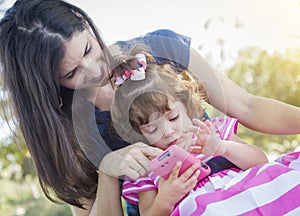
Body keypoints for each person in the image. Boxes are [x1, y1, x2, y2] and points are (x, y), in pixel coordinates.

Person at [0, 0, 300, 215]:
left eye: (89, 50)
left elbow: (246, 106)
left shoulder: (159, 51)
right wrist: (108, 171)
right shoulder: (64, 126)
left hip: (239, 190)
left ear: (85, 23)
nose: (93, 71)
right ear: (48, 85)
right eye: (70, 74)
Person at [111, 49, 268, 215]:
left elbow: (261, 162)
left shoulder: (214, 131)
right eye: (153, 129)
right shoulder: (147, 169)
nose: (168, 132)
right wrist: (165, 199)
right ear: (140, 133)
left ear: (186, 105)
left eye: (173, 118)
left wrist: (223, 148)